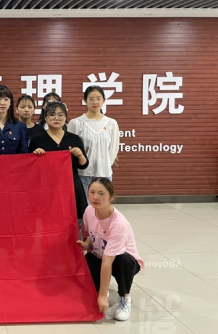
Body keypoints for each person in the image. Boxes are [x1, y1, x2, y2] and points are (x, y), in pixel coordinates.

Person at [77, 178, 144, 322]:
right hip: (98, 255)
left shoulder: (119, 224)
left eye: (101, 193)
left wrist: (102, 296)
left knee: (123, 261)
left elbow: (107, 262)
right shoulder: (89, 211)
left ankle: (124, 298)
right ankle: (101, 288)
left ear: (111, 197)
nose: (95, 197)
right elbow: (89, 234)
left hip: (121, 260)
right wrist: (86, 244)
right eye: (92, 192)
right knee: (86, 264)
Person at [30, 102, 89, 223]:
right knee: (49, 221)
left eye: (60, 115)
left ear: (65, 118)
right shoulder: (37, 139)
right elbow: (31, 168)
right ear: (46, 118)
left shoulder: (74, 138)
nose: (56, 118)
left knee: (74, 222)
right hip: (47, 188)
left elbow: (83, 165)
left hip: (71, 186)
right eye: (52, 115)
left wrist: (80, 155)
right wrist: (35, 155)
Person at [68, 86, 120, 198]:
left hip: (104, 174)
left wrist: (104, 165)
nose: (95, 102)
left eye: (98, 98)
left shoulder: (111, 123)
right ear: (85, 101)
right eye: (91, 99)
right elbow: (70, 150)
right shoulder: (76, 123)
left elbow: (113, 149)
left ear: (104, 100)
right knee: (85, 207)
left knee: (102, 205)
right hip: (83, 175)